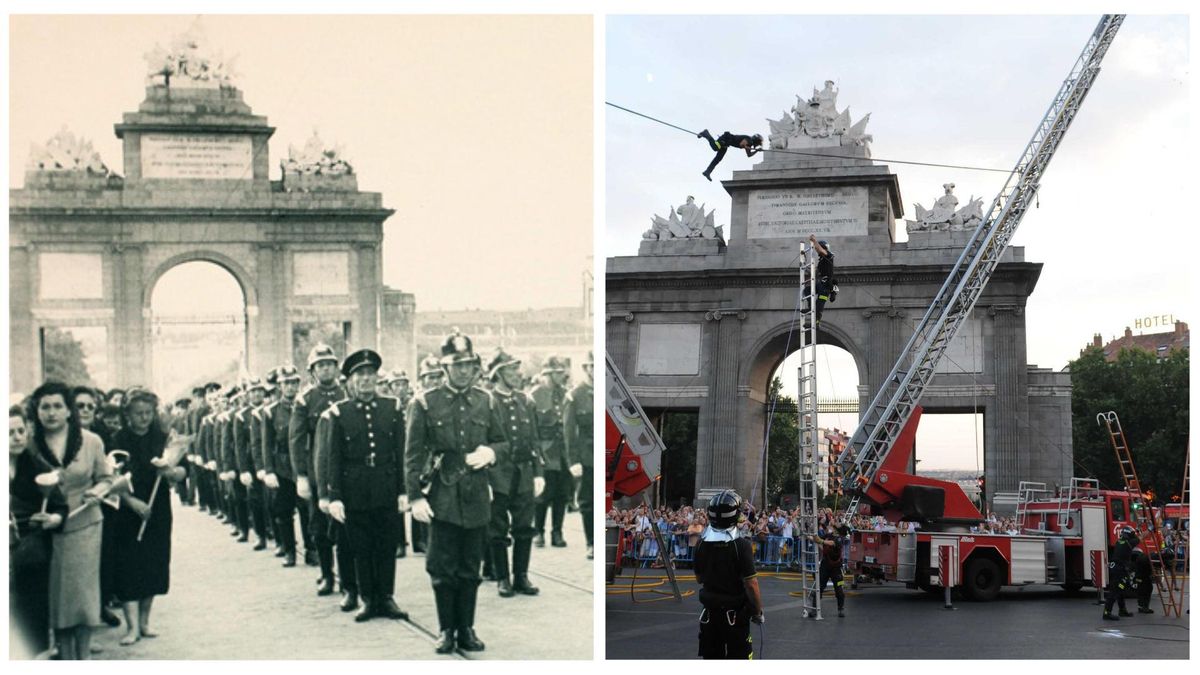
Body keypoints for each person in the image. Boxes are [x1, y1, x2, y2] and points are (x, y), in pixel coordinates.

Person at [406, 330, 503, 653]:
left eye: (469, 365)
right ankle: (446, 629)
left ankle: (467, 628)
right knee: (442, 567)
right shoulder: (424, 402)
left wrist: (491, 453)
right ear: (445, 368)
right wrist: (415, 496)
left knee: (470, 567)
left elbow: (501, 440)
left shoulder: (485, 400)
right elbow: (413, 454)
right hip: (442, 496)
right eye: (457, 365)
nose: (464, 370)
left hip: (476, 494)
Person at [29, 381, 113, 660]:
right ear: (36, 411)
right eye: (45, 407)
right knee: (57, 597)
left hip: (85, 525)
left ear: (68, 411)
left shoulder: (91, 441)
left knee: (83, 596)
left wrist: (97, 492)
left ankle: (84, 656)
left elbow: (107, 479)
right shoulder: (28, 444)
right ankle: (65, 657)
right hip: (44, 530)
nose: (51, 413)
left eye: (57, 406)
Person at [324, 349, 409, 623]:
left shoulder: (392, 408)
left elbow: (401, 452)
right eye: (360, 374)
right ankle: (367, 599)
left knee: (386, 545)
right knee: (360, 547)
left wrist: (404, 490)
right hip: (355, 489)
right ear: (349, 380)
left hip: (385, 485)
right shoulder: (339, 413)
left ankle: (386, 597)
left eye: (370, 374)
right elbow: (333, 458)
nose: (366, 379)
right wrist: (334, 496)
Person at [109, 388, 186, 645]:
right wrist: (131, 502)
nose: (143, 418)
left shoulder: (163, 439)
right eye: (138, 413)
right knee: (128, 566)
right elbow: (110, 479)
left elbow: (182, 471)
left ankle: (145, 622)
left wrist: (172, 473)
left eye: (148, 413)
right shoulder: (117, 440)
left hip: (157, 510)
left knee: (153, 563)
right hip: (127, 511)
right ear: (127, 415)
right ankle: (131, 628)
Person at [289, 343, 350, 598]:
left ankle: (348, 579)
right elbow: (296, 438)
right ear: (312, 371)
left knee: (346, 527)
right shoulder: (305, 399)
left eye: (329, 364)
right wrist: (301, 475)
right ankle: (326, 574)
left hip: (346, 469)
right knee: (320, 527)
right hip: (318, 469)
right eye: (320, 365)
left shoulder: (347, 392)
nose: (326, 369)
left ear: (336, 368)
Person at [485, 348, 545, 598]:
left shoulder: (526, 401)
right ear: (498, 373)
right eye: (511, 369)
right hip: (497, 473)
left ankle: (521, 576)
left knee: (524, 527)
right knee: (497, 529)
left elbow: (534, 439)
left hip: (523, 472)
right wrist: (485, 480)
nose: (517, 374)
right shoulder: (487, 402)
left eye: (517, 368)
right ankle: (502, 578)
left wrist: (539, 472)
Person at [10, 403, 67, 659]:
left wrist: (53, 518)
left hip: (31, 550)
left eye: (21, 431)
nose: (17, 437)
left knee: (32, 609)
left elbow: (60, 506)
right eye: (9, 432)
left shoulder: (36, 465)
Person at [694, 489, 762, 660]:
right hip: (735, 615)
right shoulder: (741, 545)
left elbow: (699, 578)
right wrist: (757, 612)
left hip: (710, 613)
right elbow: (751, 584)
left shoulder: (701, 543)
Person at [261, 365, 305, 568]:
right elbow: (266, 443)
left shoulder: (304, 405)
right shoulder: (270, 412)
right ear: (279, 386)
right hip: (282, 468)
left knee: (307, 510)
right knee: (284, 512)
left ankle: (311, 548)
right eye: (286, 383)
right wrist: (269, 470)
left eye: (294, 382)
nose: (290, 387)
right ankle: (289, 551)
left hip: (303, 465)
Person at [531, 356, 572, 548]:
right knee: (543, 495)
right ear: (547, 373)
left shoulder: (565, 393)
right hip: (544, 452)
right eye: (557, 372)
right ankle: (538, 531)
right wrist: (536, 452)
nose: (561, 375)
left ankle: (557, 532)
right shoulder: (535, 395)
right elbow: (531, 429)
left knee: (562, 495)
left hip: (563, 453)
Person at [563, 351, 594, 560]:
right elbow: (568, 431)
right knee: (587, 502)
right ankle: (591, 542)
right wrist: (573, 460)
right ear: (586, 369)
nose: (594, 370)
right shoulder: (575, 395)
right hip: (587, 456)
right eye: (591, 366)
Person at [809, 520, 849, 618]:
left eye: (839, 524)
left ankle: (841, 609)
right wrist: (808, 536)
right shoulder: (829, 534)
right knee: (819, 587)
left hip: (836, 567)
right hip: (825, 565)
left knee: (839, 588)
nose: (836, 523)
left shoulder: (841, 538)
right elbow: (818, 540)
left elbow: (832, 543)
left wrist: (821, 541)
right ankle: (815, 609)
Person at [697, 129, 763, 181]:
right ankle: (706, 133)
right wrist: (747, 147)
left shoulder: (749, 144)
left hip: (726, 144)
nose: (757, 145)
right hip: (725, 139)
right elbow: (742, 144)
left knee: (718, 159)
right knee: (715, 147)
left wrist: (756, 151)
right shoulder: (749, 139)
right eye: (758, 143)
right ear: (756, 141)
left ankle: (707, 172)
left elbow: (749, 155)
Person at [1104, 526, 1138, 621]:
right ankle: (1107, 613)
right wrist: (1149, 529)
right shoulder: (1129, 543)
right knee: (1115, 591)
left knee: (1122, 588)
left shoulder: (1119, 541)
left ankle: (1122, 610)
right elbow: (1140, 538)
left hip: (1116, 568)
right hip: (1119, 570)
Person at [806, 234, 835, 327]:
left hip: (826, 285)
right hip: (821, 284)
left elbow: (820, 250)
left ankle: (816, 323)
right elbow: (815, 273)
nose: (817, 251)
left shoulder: (829, 255)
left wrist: (814, 241)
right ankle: (810, 308)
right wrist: (805, 268)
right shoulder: (821, 261)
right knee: (807, 290)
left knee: (819, 304)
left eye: (819, 248)